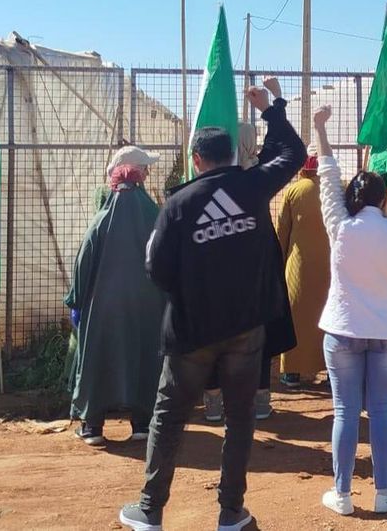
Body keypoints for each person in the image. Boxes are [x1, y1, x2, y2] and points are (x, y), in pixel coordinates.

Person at [117, 84, 304, 531]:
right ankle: (230, 513)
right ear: (230, 156)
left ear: (197, 159)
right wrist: (271, 111)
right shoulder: (252, 184)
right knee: (240, 420)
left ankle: (150, 509)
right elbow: (294, 153)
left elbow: (156, 269)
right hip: (245, 329)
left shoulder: (178, 204)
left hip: (191, 333)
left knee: (170, 417)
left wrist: (194, 288)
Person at [311, 105, 387, 516]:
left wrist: (321, 129)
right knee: (381, 411)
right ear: (384, 198)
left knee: (344, 410)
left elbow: (327, 178)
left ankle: (341, 494)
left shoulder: (340, 226)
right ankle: (383, 492)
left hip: (342, 332)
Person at [201, 79, 298, 422]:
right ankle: (259, 400)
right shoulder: (257, 176)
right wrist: (274, 105)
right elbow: (287, 149)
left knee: (214, 331)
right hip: (256, 262)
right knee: (258, 332)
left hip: (216, 265)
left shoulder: (203, 187)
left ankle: (213, 402)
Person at [65, 146, 167, 447]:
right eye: (145, 168)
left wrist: (76, 300)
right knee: (145, 358)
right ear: (138, 174)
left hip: (104, 305)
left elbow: (84, 259)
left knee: (98, 358)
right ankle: (142, 423)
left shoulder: (103, 216)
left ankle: (93, 426)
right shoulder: (153, 212)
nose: (148, 172)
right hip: (149, 304)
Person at [275, 145, 331, 389]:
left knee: (297, 315)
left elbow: (281, 232)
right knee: (330, 318)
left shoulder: (293, 191)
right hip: (332, 267)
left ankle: (292, 372)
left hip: (298, 266)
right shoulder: (335, 189)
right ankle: (331, 370)